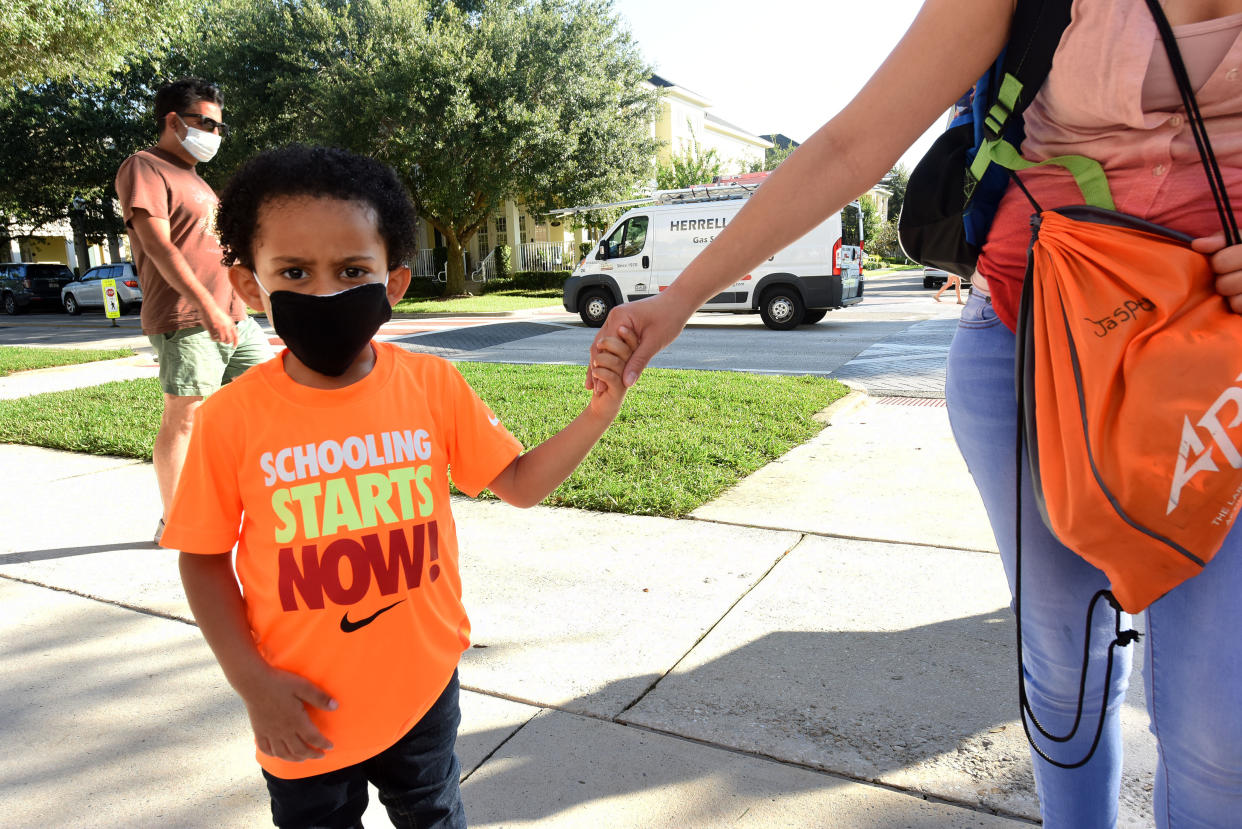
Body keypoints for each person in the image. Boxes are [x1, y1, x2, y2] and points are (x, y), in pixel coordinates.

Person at [590, 1, 1242, 826]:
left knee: (1222, 727)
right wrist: (681, 296)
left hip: (1218, 364)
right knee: (1065, 674)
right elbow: (850, 144)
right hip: (1029, 349)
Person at [159, 145, 635, 828]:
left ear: (394, 283)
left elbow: (521, 483)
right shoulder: (231, 419)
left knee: (434, 815)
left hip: (423, 690)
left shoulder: (432, 386)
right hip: (299, 704)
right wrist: (252, 683)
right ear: (249, 284)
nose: (325, 293)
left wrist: (599, 410)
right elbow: (202, 558)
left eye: (353, 270)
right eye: (295, 270)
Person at [115, 77, 273, 544]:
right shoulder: (144, 167)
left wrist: (255, 296)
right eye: (206, 123)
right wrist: (206, 306)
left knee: (270, 399)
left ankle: (247, 499)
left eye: (220, 126)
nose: (215, 135)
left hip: (232, 316)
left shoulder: (198, 182)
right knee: (184, 415)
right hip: (188, 317)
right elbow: (158, 246)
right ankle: (178, 523)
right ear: (172, 120)